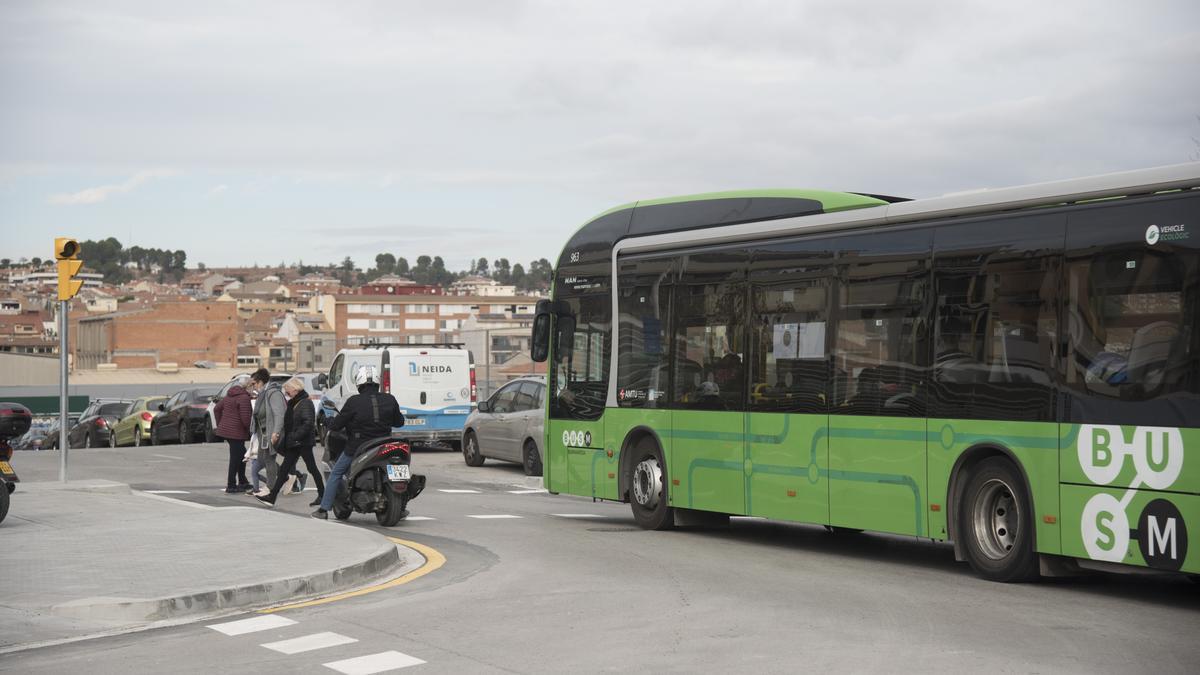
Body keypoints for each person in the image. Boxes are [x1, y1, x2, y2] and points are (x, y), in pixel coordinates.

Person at [312, 365, 403, 519]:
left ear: (359, 382)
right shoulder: (390, 399)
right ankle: (401, 508)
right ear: (377, 382)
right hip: (386, 443)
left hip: (359, 446)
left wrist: (327, 421)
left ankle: (323, 509)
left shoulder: (354, 401)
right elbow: (399, 422)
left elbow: (336, 425)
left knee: (336, 473)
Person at [255, 377, 323, 507]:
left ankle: (322, 494)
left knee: (312, 468)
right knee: (284, 469)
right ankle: (272, 497)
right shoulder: (294, 402)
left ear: (295, 389)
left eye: (288, 390)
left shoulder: (305, 402)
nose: (286, 393)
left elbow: (308, 423)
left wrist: (294, 436)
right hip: (294, 442)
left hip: (302, 442)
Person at [246, 368, 305, 497]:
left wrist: (276, 432)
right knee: (262, 459)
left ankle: (270, 487)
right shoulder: (263, 393)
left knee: (269, 458)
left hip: (271, 432)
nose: (253, 386)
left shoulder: (273, 393)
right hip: (263, 433)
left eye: (254, 384)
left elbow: (279, 414)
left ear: (261, 382)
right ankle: (286, 476)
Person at [213, 374, 253, 493]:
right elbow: (245, 419)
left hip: (228, 431)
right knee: (236, 458)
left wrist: (221, 423)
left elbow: (216, 409)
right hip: (237, 432)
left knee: (242, 455)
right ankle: (231, 485)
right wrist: (250, 430)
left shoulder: (229, 395)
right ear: (249, 386)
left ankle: (242, 481)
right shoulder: (244, 398)